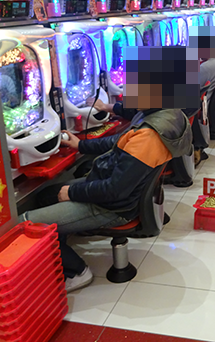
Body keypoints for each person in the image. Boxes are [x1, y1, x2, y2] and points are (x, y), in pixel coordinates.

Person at [20, 106, 192, 292]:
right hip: (113, 187)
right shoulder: (164, 115)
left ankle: (77, 272)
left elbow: (115, 190)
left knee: (24, 223)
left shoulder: (148, 136)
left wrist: (72, 193)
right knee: (46, 196)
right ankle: (59, 247)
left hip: (111, 207)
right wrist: (81, 145)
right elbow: (119, 141)